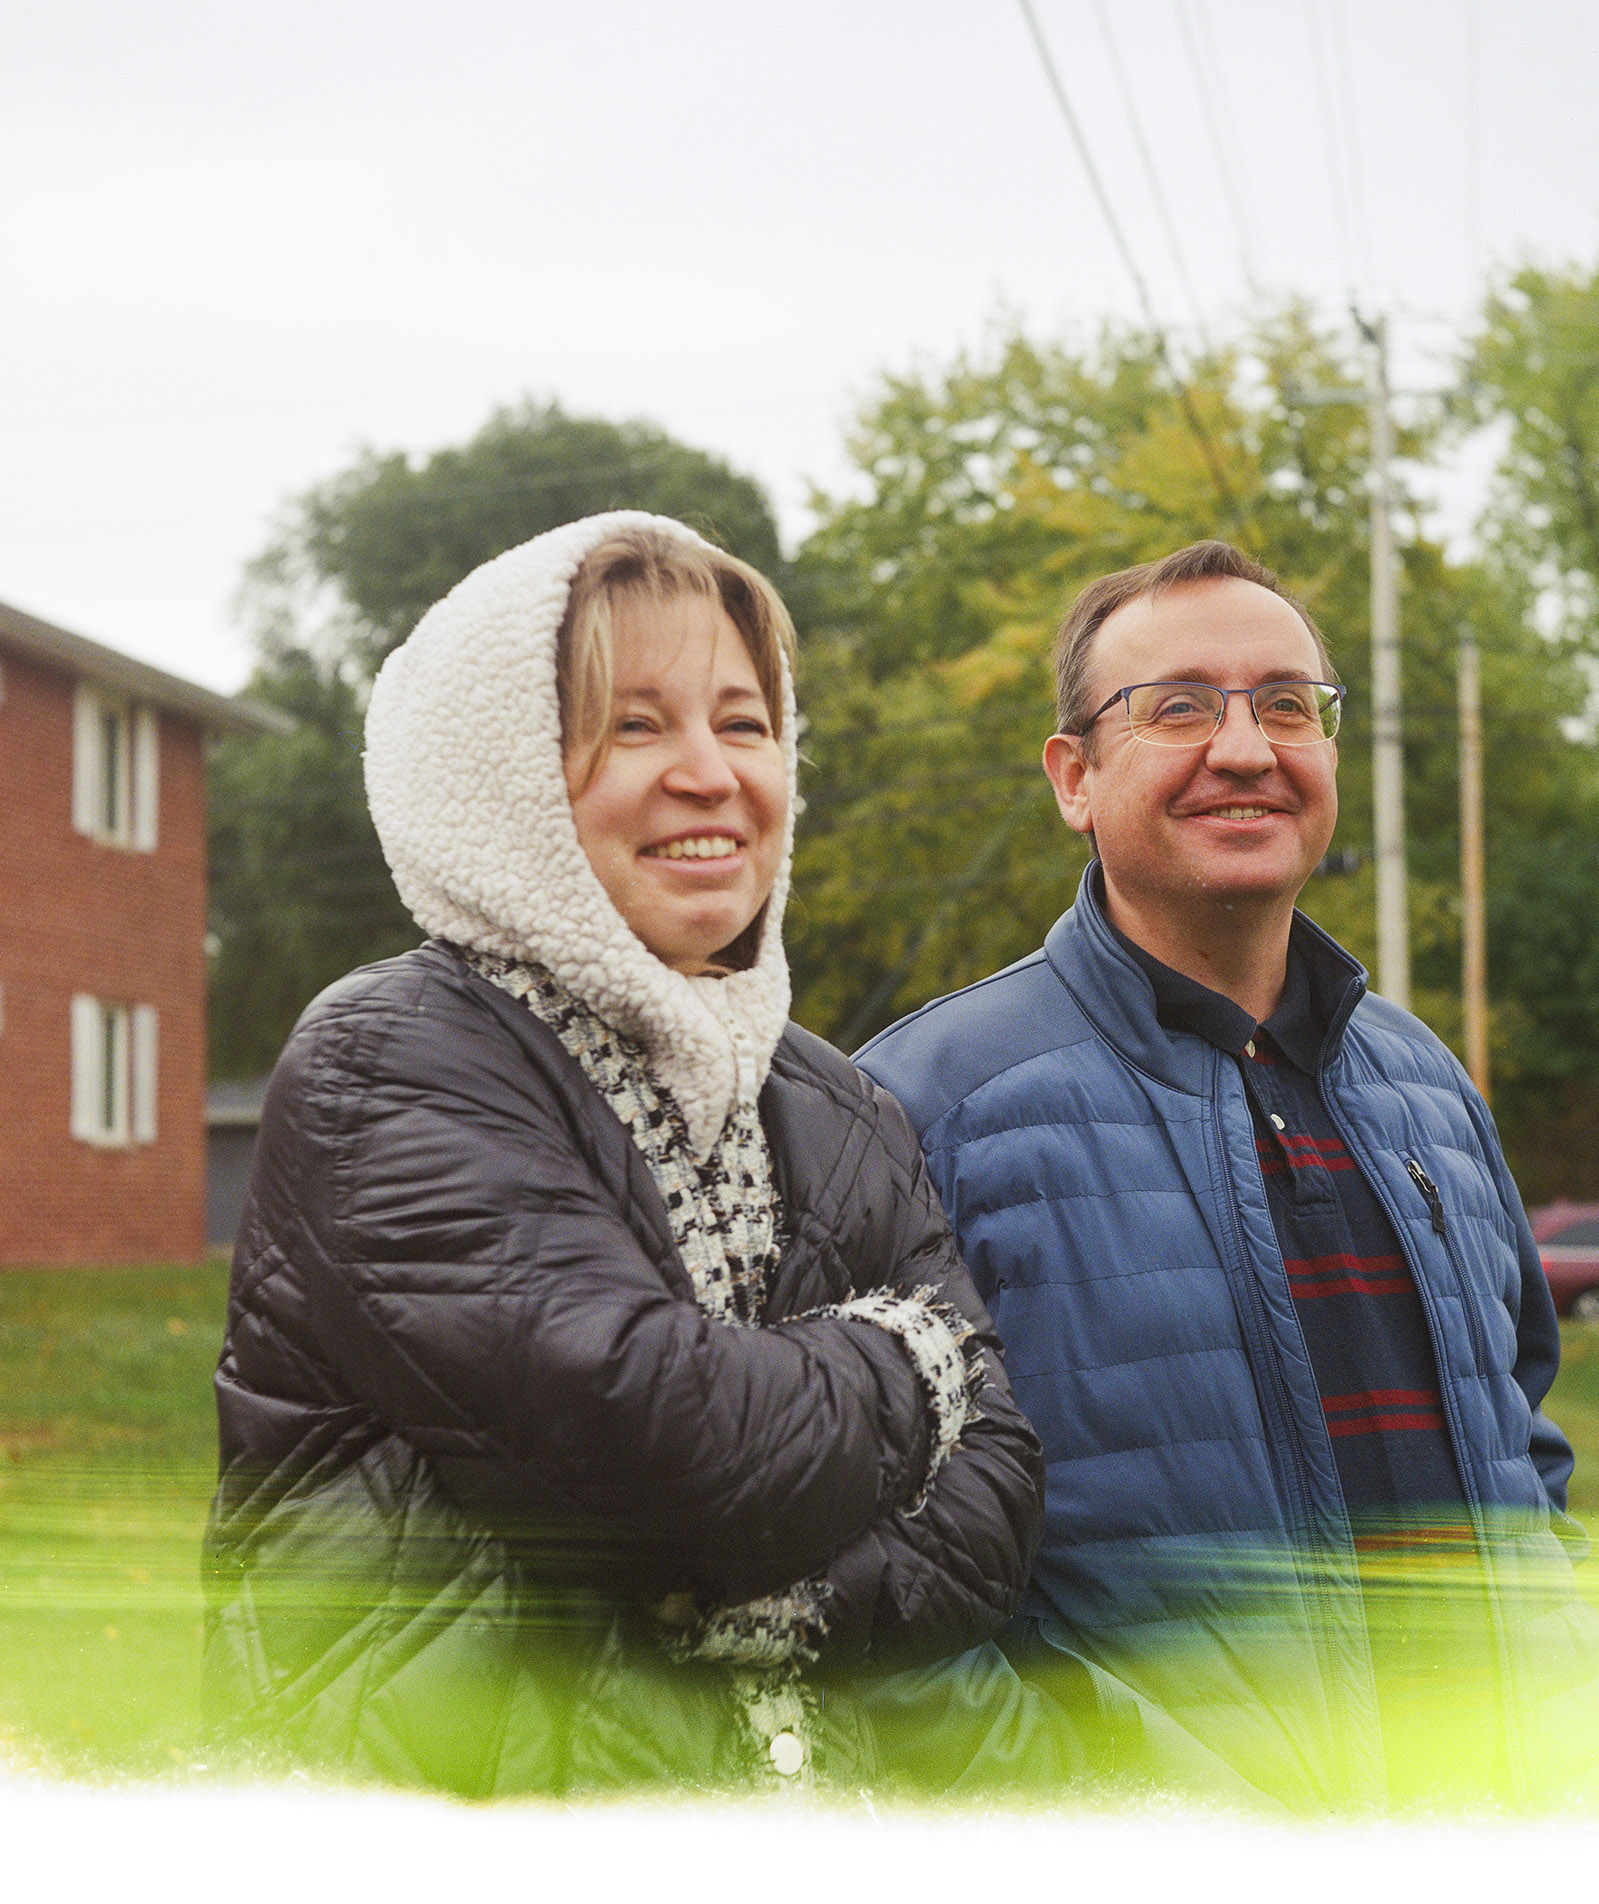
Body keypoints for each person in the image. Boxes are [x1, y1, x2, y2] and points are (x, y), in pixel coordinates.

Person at [203, 513, 1067, 1798]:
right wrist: (920, 1357)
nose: (712, 773)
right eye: (636, 724)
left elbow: (999, 1494)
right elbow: (672, 1449)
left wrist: (765, 1588)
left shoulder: (840, 1104)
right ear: (502, 782)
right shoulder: (388, 1059)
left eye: (745, 721)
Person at [857, 540, 1599, 1812]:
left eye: (1286, 705)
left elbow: (1524, 1444)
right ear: (1074, 778)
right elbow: (862, 1557)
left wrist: (1578, 1711)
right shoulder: (924, 1107)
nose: (1246, 748)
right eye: (1178, 709)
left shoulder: (1424, 1083)